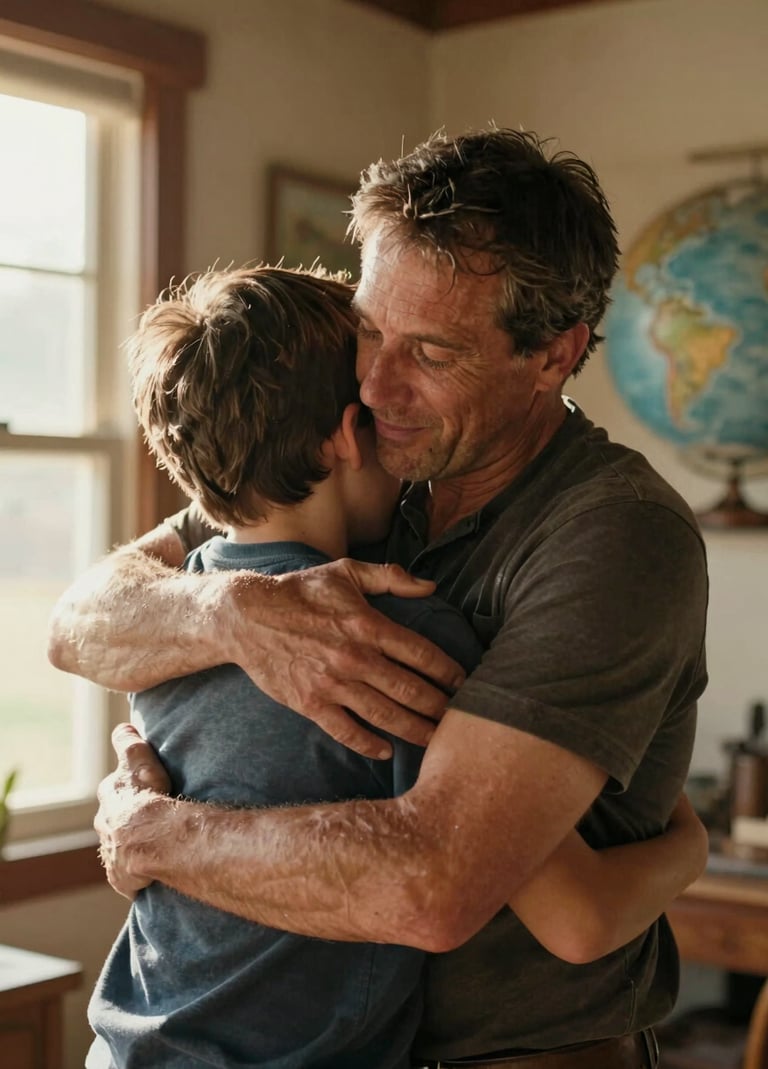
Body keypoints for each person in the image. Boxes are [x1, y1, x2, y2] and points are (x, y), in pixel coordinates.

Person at [50, 128, 710, 1069]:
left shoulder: (616, 532)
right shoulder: (361, 463)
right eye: (368, 330)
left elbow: (430, 886)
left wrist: (158, 835)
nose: (375, 384)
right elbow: (78, 620)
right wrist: (229, 616)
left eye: (431, 352)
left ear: (554, 355)